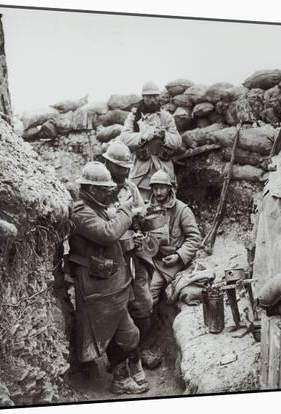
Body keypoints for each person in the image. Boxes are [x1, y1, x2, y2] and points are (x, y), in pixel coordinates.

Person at [68, 161, 149, 394]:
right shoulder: (81, 211)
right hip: (98, 288)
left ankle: (124, 373)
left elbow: (111, 229)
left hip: (111, 284)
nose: (109, 193)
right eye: (105, 190)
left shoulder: (96, 207)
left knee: (124, 332)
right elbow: (107, 233)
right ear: (92, 189)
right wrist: (125, 210)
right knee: (119, 332)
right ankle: (120, 379)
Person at [102, 141, 162, 371]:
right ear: (107, 164)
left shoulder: (130, 188)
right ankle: (118, 360)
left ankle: (139, 349)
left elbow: (141, 217)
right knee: (116, 308)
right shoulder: (98, 189)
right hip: (110, 260)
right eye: (120, 168)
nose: (125, 172)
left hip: (133, 257)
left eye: (127, 168)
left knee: (144, 304)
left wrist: (142, 223)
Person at [119, 81, 182, 201]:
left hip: (163, 170)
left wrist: (164, 136)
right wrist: (143, 136)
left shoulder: (166, 117)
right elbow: (124, 138)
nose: (153, 100)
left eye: (155, 96)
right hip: (141, 173)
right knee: (138, 207)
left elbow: (177, 141)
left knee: (166, 207)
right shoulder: (133, 117)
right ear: (143, 97)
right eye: (149, 97)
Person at [145, 170, 201, 305]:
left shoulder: (182, 210)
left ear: (169, 188)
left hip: (171, 261)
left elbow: (194, 238)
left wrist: (178, 256)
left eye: (162, 188)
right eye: (155, 188)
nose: (158, 192)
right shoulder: (147, 209)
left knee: (151, 291)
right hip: (150, 258)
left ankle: (149, 319)